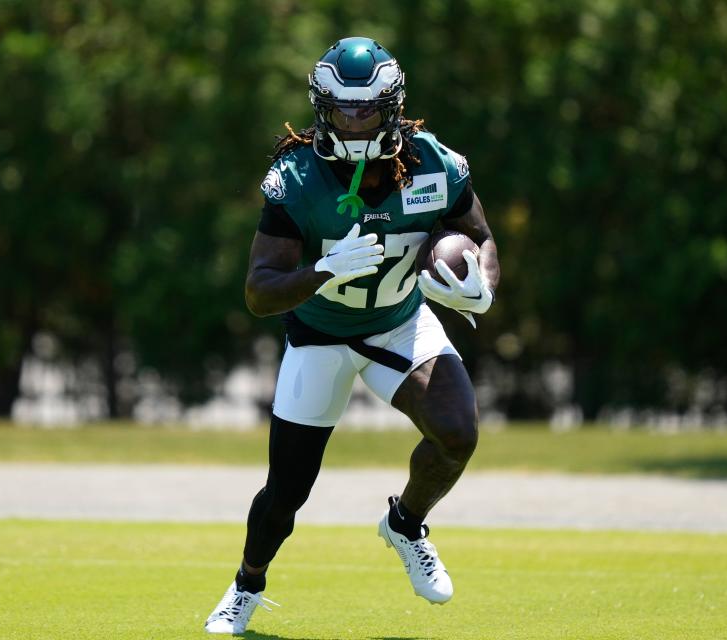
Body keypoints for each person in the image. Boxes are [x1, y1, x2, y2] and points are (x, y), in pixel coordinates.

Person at [204, 36, 500, 634]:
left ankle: (406, 524)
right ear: (322, 105)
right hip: (320, 336)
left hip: (398, 324)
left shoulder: (434, 164)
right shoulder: (296, 177)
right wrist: (322, 271)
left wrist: (483, 285)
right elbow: (259, 293)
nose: (356, 119)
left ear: (392, 107)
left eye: (368, 108)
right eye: (344, 108)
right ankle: (246, 585)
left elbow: (482, 236)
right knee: (286, 493)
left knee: (457, 434)